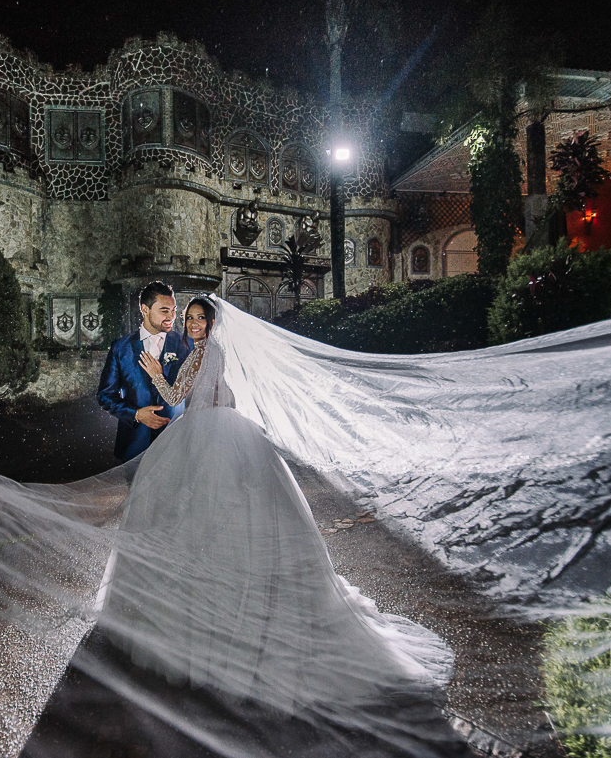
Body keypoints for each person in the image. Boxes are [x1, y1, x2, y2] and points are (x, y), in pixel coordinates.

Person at [95, 297, 459, 750]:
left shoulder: (204, 353)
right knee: (239, 519)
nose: (191, 324)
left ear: (211, 323)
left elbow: (174, 399)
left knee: (203, 519)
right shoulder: (218, 353)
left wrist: (153, 374)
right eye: (188, 318)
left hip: (207, 435)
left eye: (198, 318)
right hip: (232, 431)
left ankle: (213, 630)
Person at [96, 281, 192, 461]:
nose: (171, 316)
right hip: (134, 444)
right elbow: (105, 395)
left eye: (173, 310)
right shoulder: (121, 348)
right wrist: (137, 414)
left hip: (175, 444)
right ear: (145, 310)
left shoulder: (186, 344)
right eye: (164, 310)